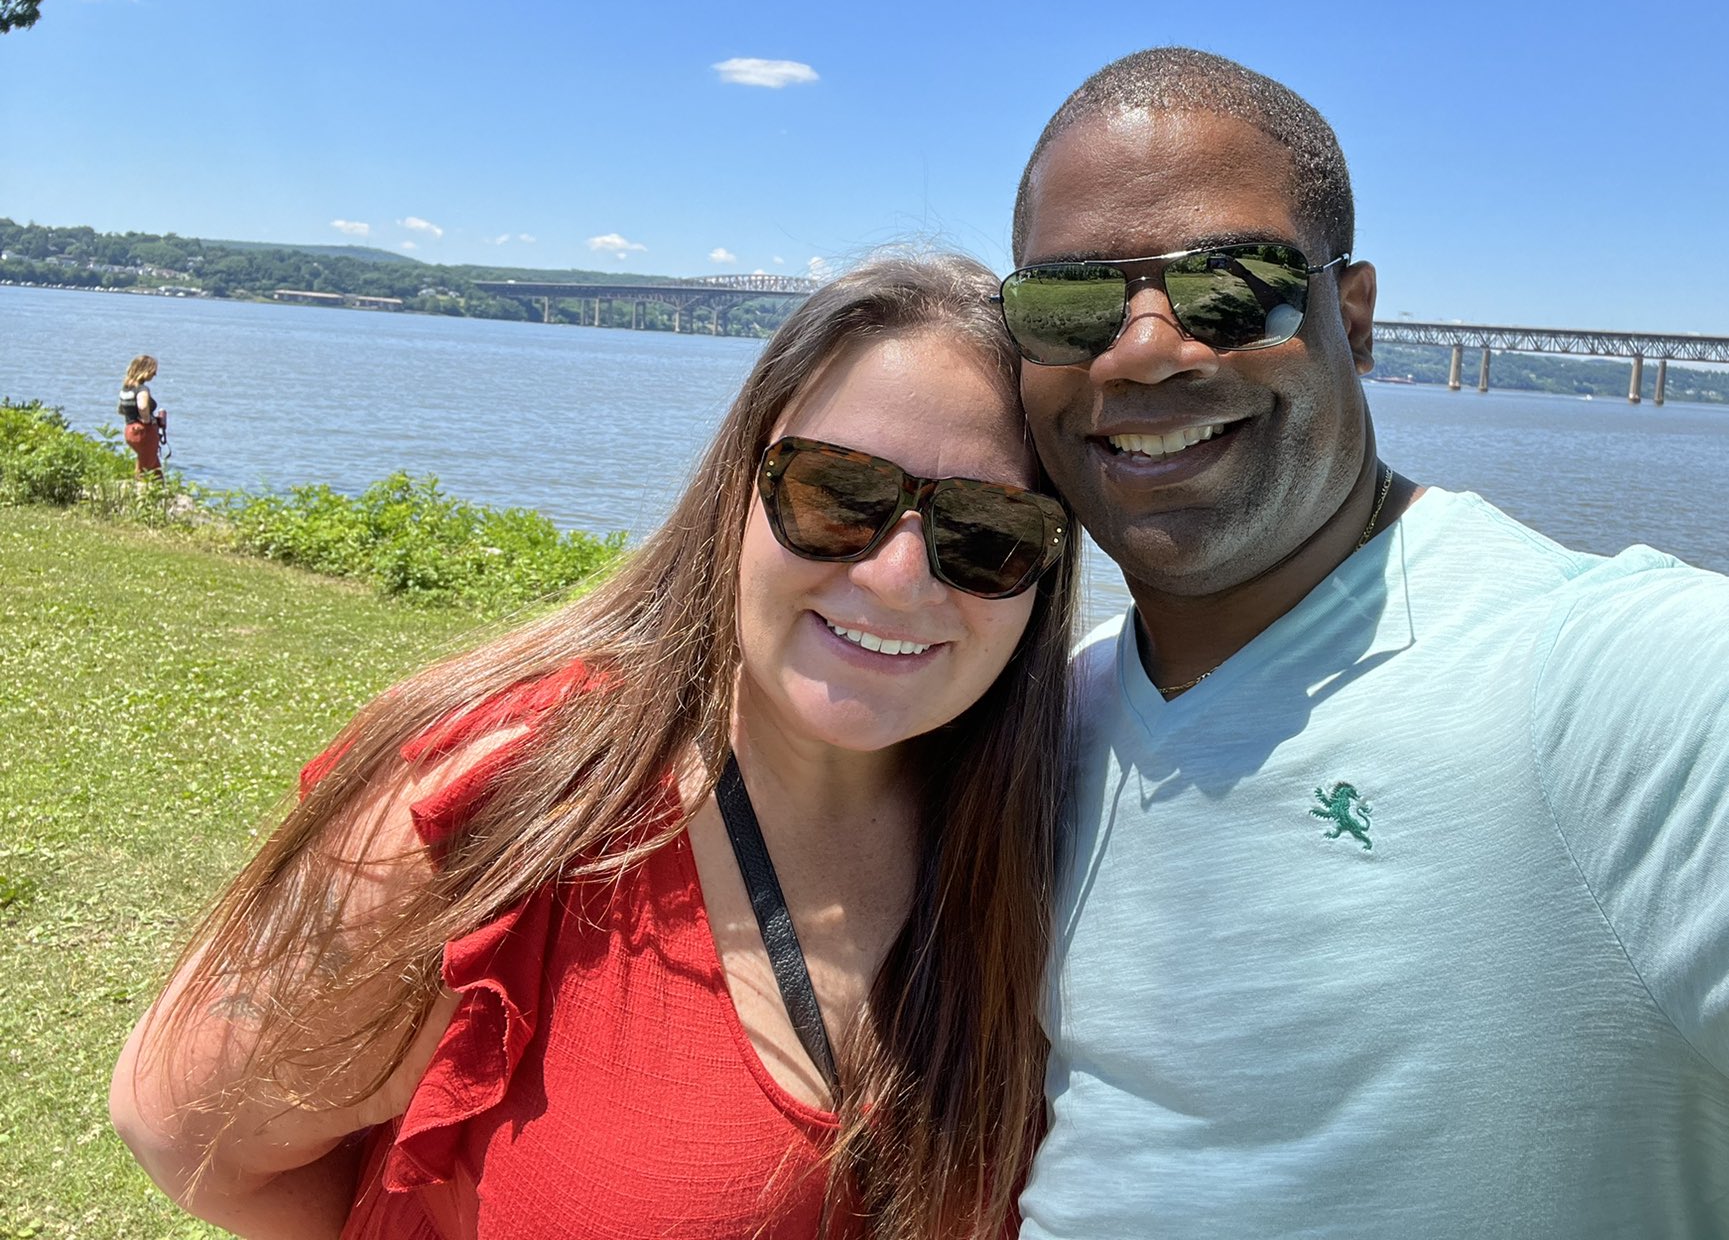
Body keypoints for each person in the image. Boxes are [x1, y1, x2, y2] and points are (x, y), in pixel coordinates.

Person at [995, 48, 1729, 1239]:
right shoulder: (1055, 710)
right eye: (1069, 303)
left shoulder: (1602, 682)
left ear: (1352, 316)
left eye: (1233, 290)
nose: (1141, 350)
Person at [109, 252, 1079, 1240]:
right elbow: (185, 1132)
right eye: (837, 493)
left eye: (986, 532)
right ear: (737, 490)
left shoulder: (1064, 831)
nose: (895, 576)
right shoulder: (508, 803)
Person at [119, 354, 168, 479]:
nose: (155, 374)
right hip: (143, 432)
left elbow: (121, 410)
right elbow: (142, 406)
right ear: (144, 371)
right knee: (145, 467)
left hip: (130, 429)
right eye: (153, 371)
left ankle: (160, 492)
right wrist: (147, 421)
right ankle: (140, 492)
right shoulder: (142, 389)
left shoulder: (126, 389)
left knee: (153, 466)